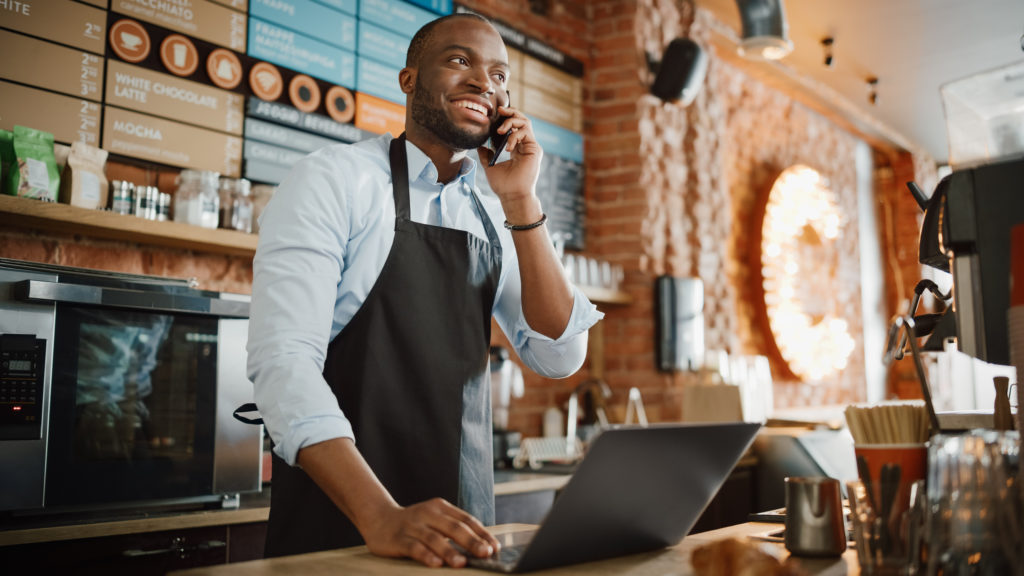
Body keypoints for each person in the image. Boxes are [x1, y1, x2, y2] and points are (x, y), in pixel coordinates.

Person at [246, 12, 603, 568]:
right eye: (460, 60)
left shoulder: (496, 212)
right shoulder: (334, 179)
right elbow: (284, 364)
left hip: (465, 530)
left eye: (500, 75)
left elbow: (560, 354)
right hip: (344, 527)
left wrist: (521, 203)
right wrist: (381, 516)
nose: (485, 82)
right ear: (409, 79)